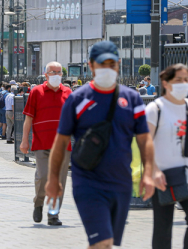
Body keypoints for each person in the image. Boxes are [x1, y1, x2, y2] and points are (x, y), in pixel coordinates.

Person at [46, 41, 156, 248]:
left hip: (121, 184)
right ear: (91, 65)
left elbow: (145, 139)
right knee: (102, 241)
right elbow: (60, 143)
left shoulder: (131, 98)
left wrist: (148, 173)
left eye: (111, 64)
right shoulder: (78, 99)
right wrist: (53, 180)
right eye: (101, 63)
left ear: (118, 64)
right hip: (88, 182)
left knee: (106, 243)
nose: (107, 68)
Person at [20, 61, 71, 226]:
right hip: (42, 143)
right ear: (46, 74)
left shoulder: (68, 93)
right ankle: (39, 203)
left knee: (59, 181)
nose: (56, 74)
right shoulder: (36, 92)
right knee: (42, 177)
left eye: (59, 72)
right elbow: (28, 118)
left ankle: (53, 214)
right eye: (52, 72)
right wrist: (24, 141)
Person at [145, 64, 188, 249]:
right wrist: (153, 171)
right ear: (166, 83)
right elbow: (145, 142)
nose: (183, 83)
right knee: (163, 229)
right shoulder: (156, 109)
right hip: (162, 175)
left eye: (186, 80)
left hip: (185, 174)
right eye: (178, 80)